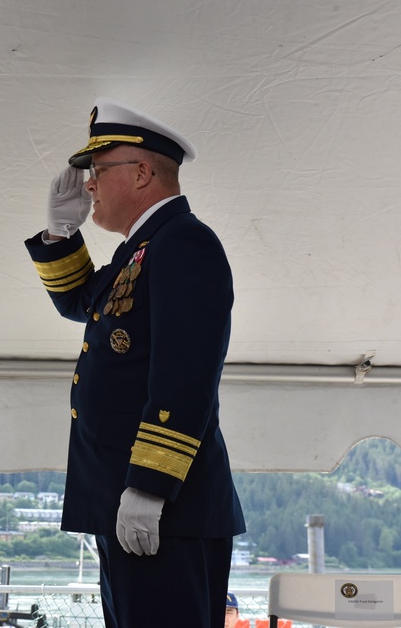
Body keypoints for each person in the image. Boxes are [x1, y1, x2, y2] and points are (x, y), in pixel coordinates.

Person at [24, 97, 245, 628]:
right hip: (130, 501)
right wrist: (60, 237)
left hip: (163, 507)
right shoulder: (141, 249)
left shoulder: (183, 243)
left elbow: (185, 377)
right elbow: (84, 304)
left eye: (99, 171)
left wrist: (150, 486)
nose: (90, 185)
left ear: (142, 172)